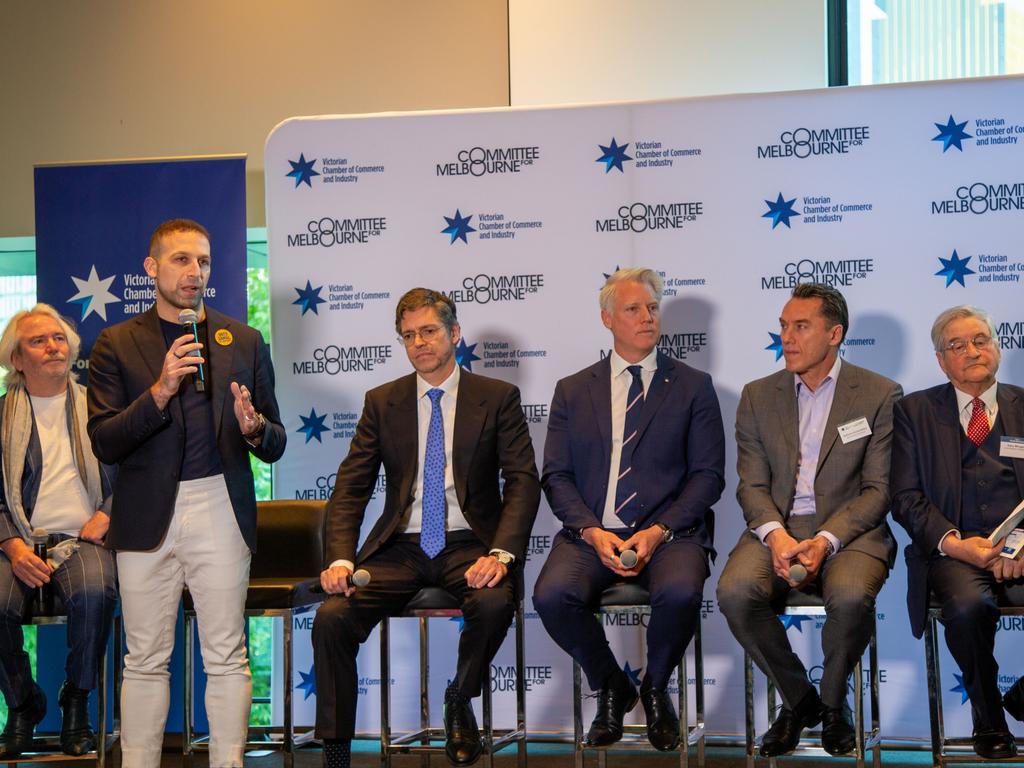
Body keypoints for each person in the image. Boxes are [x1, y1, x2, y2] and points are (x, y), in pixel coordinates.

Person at [86, 219, 286, 768]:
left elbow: (276, 441)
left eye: (202, 261)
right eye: (179, 260)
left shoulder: (241, 339)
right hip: (145, 513)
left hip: (220, 505)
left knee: (226, 654)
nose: (193, 272)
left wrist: (252, 430)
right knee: (144, 658)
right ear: (152, 268)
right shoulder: (116, 343)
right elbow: (104, 440)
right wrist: (160, 389)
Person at [312, 288, 540, 768]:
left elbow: (522, 481)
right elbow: (351, 487)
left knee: (495, 600)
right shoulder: (383, 402)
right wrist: (340, 557)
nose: (420, 343)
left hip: (470, 542)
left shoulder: (497, 398)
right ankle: (335, 752)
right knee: (332, 616)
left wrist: (501, 554)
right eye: (409, 335)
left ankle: (459, 696)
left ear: (454, 333)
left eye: (429, 331)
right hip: (401, 547)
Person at [532, 267, 725, 752]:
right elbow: (556, 476)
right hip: (595, 531)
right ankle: (613, 686)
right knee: (552, 597)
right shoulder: (573, 390)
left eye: (652, 308)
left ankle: (656, 689)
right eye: (634, 309)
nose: (647, 317)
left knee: (681, 592)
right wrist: (591, 532)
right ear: (607, 319)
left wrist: (660, 530)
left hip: (671, 534)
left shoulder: (694, 385)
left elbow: (708, 476)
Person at [717, 282, 901, 757]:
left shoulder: (880, 394)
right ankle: (800, 701)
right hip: (775, 529)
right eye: (783, 326)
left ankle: (836, 705)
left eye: (801, 326)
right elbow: (751, 487)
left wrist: (824, 540)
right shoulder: (757, 396)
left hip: (850, 531)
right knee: (736, 591)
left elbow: (878, 491)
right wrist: (777, 538)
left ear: (835, 333)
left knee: (850, 596)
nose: (787, 337)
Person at [892, 305, 1024, 760]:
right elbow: (905, 497)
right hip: (953, 552)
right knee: (968, 609)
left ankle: (1023, 693)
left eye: (981, 340)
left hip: (1021, 548)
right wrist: (954, 544)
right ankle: (989, 722)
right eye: (957, 345)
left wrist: (1021, 546)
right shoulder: (914, 411)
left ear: (997, 346)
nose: (972, 351)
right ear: (940, 360)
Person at [0, 304, 117, 757]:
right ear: (16, 358)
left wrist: (109, 511)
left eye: (59, 338)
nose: (53, 347)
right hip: (16, 542)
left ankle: (77, 701)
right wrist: (12, 547)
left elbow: (137, 471)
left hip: (84, 538)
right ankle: (24, 703)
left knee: (95, 591)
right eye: (38, 341)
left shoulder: (103, 408)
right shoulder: (2, 417)